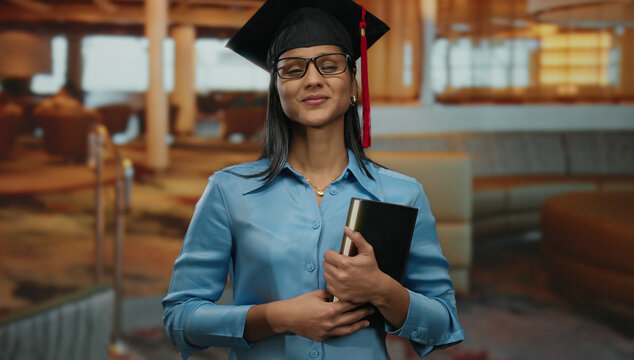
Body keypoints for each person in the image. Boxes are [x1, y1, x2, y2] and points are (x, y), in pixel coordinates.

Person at [162, 0, 465, 359]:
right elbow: (179, 320)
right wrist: (277, 317)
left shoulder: (402, 194)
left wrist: (383, 290)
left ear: (352, 83)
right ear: (277, 90)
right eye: (292, 69)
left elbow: (444, 326)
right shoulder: (229, 191)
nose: (312, 79)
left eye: (330, 65)